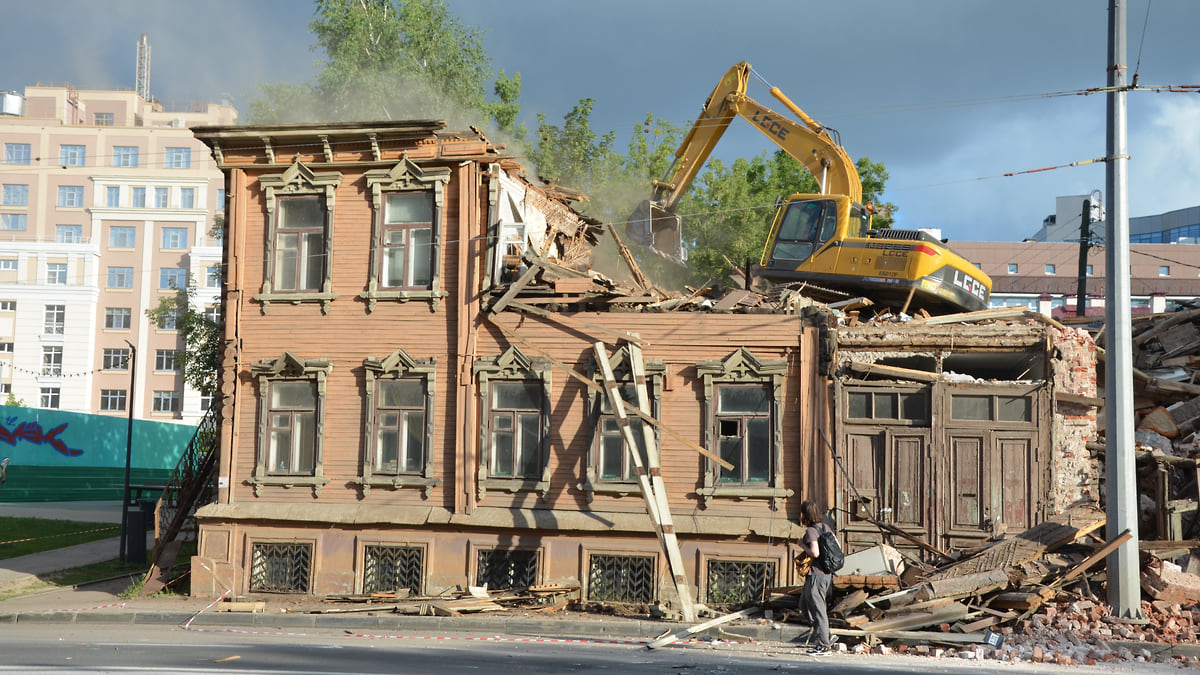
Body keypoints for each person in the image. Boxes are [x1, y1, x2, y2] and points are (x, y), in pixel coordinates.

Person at [798, 499, 834, 655]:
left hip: (816, 576)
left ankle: (823, 645)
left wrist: (802, 545)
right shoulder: (826, 528)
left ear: (805, 515)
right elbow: (837, 546)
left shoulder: (811, 531)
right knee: (804, 605)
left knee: (818, 610)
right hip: (826, 575)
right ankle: (824, 634)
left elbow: (815, 553)